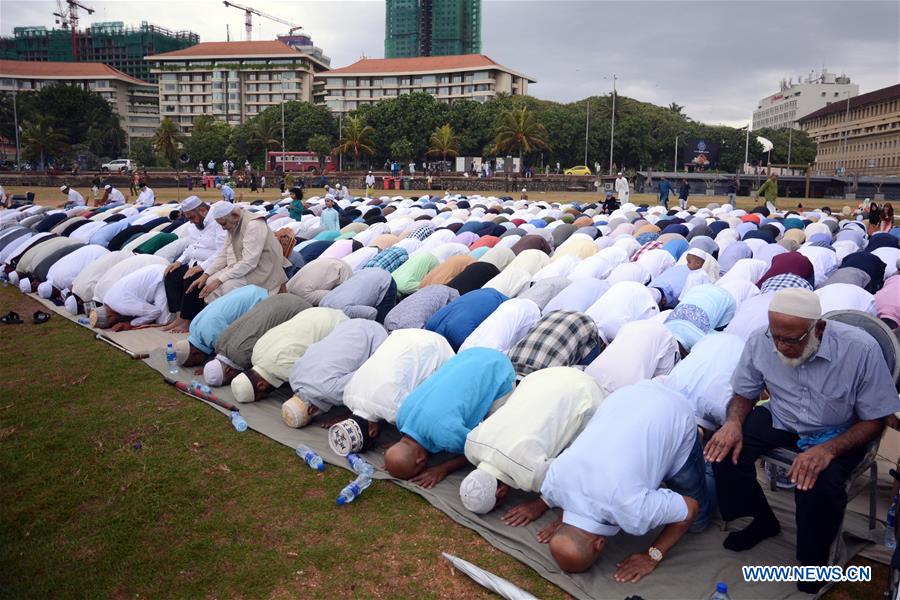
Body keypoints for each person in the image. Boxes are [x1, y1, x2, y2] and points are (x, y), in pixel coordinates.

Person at [704, 288, 899, 594]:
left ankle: (813, 561)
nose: (781, 346)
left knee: (817, 480)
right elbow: (745, 392)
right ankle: (761, 520)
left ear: (818, 328)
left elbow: (875, 417)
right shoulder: (761, 341)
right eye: (776, 336)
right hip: (783, 416)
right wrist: (732, 423)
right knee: (724, 450)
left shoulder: (860, 349)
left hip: (841, 428)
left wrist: (827, 450)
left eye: (791, 340)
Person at [539, 379, 710, 582]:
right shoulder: (551, 484)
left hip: (675, 410)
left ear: (599, 544)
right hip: (626, 393)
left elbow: (690, 509)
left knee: (698, 522)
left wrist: (652, 556)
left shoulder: (634, 513)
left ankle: (708, 455)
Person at [460, 367, 605, 523]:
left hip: (588, 393)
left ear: (501, 492)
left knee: (584, 449)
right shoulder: (471, 444)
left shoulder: (530, 475)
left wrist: (540, 504)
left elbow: (568, 477)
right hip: (543, 376)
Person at [384, 348, 515, 487]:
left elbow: (478, 450)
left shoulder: (446, 435)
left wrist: (443, 469)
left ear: (420, 459)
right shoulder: (401, 417)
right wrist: (397, 461)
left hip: (500, 370)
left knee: (494, 438)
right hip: (471, 354)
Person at [328, 329, 455, 455]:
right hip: (402, 336)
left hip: (435, 346)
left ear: (373, 432)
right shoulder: (348, 394)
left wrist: (405, 444)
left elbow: (423, 425)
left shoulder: (395, 412)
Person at [281, 319, 388, 428]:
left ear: (311, 410)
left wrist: (350, 417)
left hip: (377, 335)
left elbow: (366, 377)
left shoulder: (331, 392)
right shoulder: (293, 375)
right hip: (351, 324)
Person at [230, 307, 347, 403]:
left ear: (261, 385)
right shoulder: (255, 354)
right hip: (315, 312)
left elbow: (317, 385)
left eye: (261, 397)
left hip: (338, 325)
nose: (265, 397)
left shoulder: (284, 370)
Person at [203, 293, 311, 387]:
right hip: (279, 299)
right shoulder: (220, 342)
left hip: (298, 309)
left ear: (229, 370)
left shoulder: (242, 357)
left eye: (230, 379)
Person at [191, 202, 289, 304]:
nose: (223, 228)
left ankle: (235, 317)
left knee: (228, 286)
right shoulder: (233, 222)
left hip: (264, 269)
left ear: (235, 216)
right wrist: (206, 274)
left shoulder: (254, 224)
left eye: (223, 224)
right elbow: (224, 253)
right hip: (245, 266)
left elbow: (250, 262)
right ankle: (219, 317)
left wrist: (220, 280)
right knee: (210, 281)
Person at [161, 197, 227, 333]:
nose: (190, 221)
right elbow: (191, 247)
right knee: (172, 274)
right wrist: (179, 261)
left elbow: (223, 252)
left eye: (192, 217)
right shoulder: (194, 225)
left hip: (212, 265)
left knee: (192, 279)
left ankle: (188, 320)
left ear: (203, 211)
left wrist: (202, 267)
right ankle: (179, 318)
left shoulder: (218, 222)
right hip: (193, 262)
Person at [172, 284, 269, 367]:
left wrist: (212, 366)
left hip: (257, 299)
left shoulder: (212, 336)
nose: (197, 365)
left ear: (195, 354)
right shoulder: (193, 327)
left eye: (194, 363)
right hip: (248, 290)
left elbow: (232, 354)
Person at [507, 310, 601, 378]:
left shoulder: (508, 365)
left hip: (515, 367)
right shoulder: (551, 373)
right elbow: (586, 374)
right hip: (540, 371)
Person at [89, 263, 172, 331]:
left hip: (161, 278)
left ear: (110, 316)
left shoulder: (121, 306)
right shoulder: (107, 299)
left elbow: (154, 312)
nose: (113, 325)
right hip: (155, 271)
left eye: (110, 324)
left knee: (163, 322)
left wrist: (131, 324)